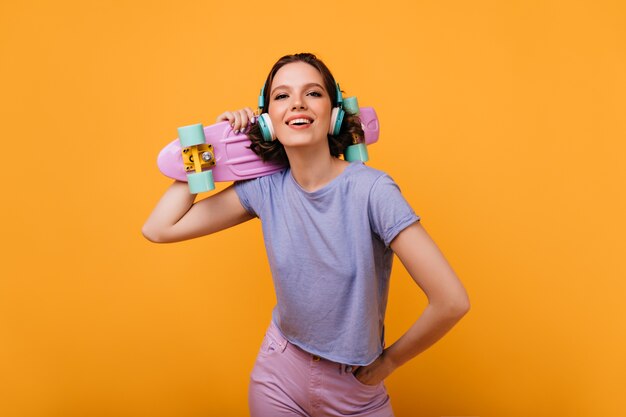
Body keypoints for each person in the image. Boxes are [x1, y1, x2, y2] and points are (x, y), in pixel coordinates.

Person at [143, 52, 470, 417]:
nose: (297, 102)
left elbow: (451, 300)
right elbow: (159, 228)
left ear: (333, 113)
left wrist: (386, 366)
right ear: (268, 120)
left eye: (312, 93)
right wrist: (213, 147)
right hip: (279, 373)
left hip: (353, 390)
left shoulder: (372, 190)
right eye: (282, 96)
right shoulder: (264, 188)